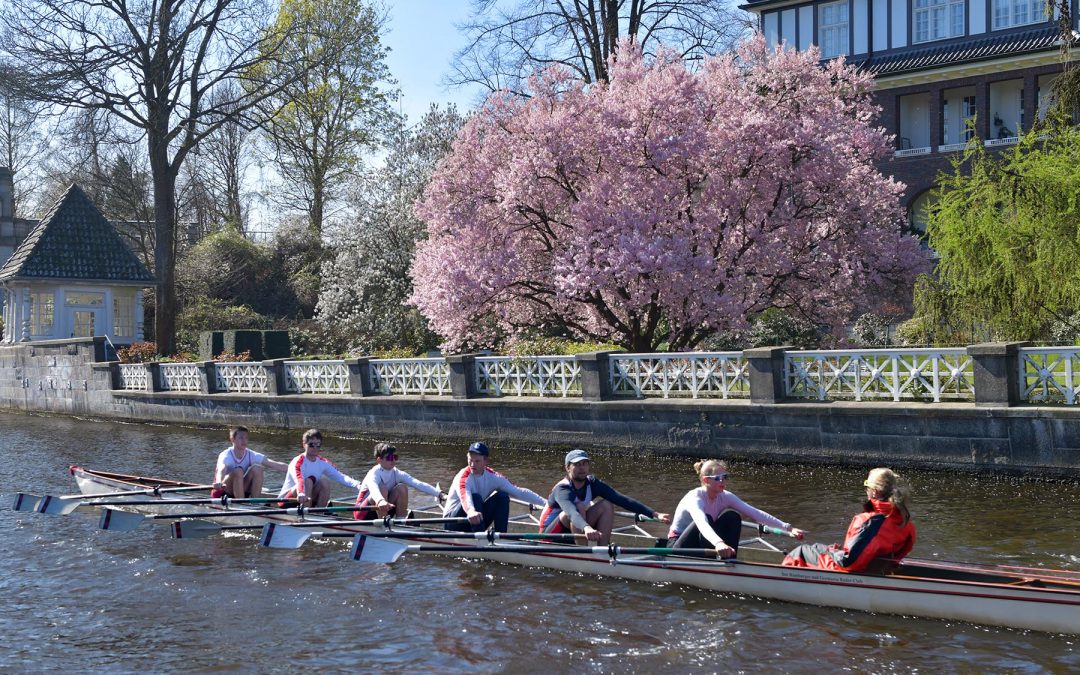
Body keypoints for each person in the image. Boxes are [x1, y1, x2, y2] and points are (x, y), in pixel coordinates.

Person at [782, 467, 915, 572]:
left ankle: (783, 582)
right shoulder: (905, 522)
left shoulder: (866, 521)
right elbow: (897, 555)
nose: (865, 490)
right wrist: (836, 551)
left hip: (854, 571)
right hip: (879, 570)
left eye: (866, 486)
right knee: (818, 547)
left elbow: (848, 562)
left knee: (801, 551)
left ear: (874, 491)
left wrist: (834, 554)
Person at [666, 460, 805, 558]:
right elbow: (702, 524)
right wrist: (719, 543)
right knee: (707, 518)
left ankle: (730, 559)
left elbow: (755, 513)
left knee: (733, 516)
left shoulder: (725, 496)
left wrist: (788, 528)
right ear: (706, 480)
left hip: (704, 541)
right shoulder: (695, 497)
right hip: (677, 546)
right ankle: (718, 558)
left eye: (725, 477)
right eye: (718, 478)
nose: (723, 481)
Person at [538, 449, 671, 545]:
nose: (582, 468)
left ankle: (602, 551)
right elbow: (572, 513)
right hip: (549, 535)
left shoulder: (593, 483)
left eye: (584, 463)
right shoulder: (562, 489)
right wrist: (587, 528)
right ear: (567, 468)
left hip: (577, 528)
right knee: (578, 507)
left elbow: (622, 499)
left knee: (607, 505)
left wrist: (654, 514)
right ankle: (582, 555)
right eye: (577, 465)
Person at [443, 441, 546, 532]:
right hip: (452, 522)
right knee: (476, 498)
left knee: (502, 496)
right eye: (470, 460)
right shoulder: (463, 477)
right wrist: (471, 511)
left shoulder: (493, 477)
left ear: (486, 461)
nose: (472, 465)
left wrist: (547, 503)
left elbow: (519, 492)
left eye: (477, 461)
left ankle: (500, 537)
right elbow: (466, 498)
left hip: (475, 518)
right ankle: (479, 539)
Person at [353, 442, 446, 520]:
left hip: (384, 508)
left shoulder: (396, 473)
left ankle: (400, 521)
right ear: (379, 460)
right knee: (382, 488)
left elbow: (417, 483)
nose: (393, 460)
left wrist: (440, 494)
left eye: (395, 457)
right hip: (362, 513)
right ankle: (384, 524)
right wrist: (381, 501)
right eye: (389, 458)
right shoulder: (373, 473)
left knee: (402, 488)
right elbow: (374, 490)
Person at [278, 429, 363, 508]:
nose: (315, 448)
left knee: (324, 482)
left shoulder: (323, 462)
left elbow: (340, 476)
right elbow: (299, 480)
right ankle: (307, 514)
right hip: (287, 501)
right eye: (311, 445)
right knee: (308, 482)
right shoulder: (298, 462)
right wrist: (301, 493)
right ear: (304, 445)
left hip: (307, 498)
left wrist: (357, 485)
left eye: (318, 445)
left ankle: (320, 513)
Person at [211, 426, 287, 499]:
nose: (244, 441)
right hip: (222, 492)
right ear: (232, 439)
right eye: (241, 438)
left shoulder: (251, 454)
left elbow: (274, 464)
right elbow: (221, 469)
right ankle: (241, 503)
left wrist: (294, 469)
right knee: (238, 471)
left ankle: (255, 502)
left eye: (246, 438)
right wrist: (218, 481)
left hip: (239, 490)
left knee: (258, 469)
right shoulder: (226, 455)